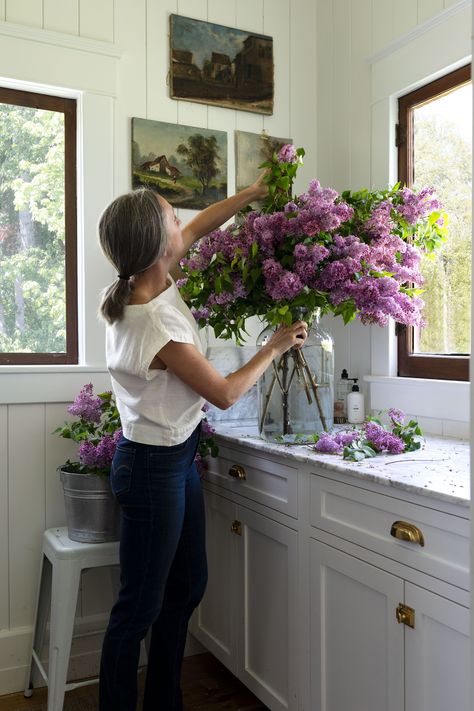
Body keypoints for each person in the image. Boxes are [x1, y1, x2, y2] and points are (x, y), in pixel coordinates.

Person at [97, 179, 308, 711]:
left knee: (186, 585)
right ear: (154, 243)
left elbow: (199, 225)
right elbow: (224, 394)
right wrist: (274, 346)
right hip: (152, 469)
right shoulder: (154, 321)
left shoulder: (146, 283)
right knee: (138, 609)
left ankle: (164, 703)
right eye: (171, 219)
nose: (181, 224)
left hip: (174, 461)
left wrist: (251, 195)